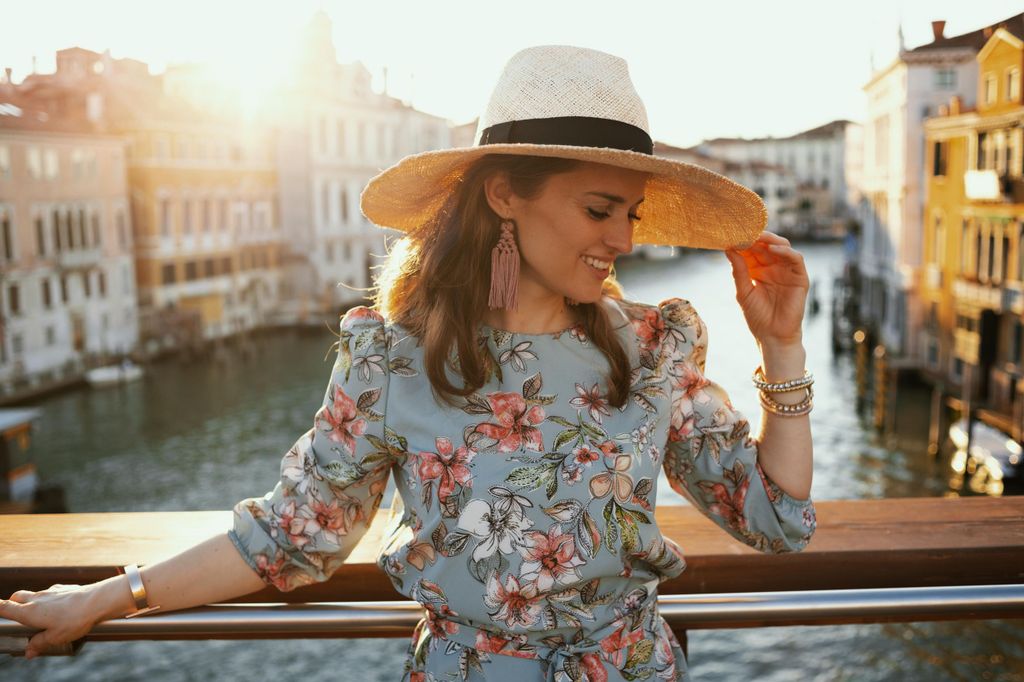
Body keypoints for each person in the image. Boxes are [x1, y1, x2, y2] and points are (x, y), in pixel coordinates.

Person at [0, 45, 815, 680]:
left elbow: (776, 521)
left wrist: (781, 343)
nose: (626, 239)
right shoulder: (389, 358)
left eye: (631, 213)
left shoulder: (651, 343)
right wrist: (106, 598)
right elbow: (292, 533)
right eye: (600, 209)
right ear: (505, 194)